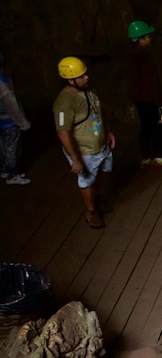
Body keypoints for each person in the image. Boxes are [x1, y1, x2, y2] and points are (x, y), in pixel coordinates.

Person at [53, 56, 116, 229]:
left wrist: (108, 130)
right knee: (87, 180)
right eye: (81, 76)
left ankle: (96, 197)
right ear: (70, 79)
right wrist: (76, 159)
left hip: (100, 145)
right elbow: (63, 132)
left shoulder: (88, 90)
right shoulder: (64, 103)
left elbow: (98, 110)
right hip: (85, 151)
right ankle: (92, 212)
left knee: (104, 171)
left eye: (85, 74)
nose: (86, 77)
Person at [127, 20, 162, 167]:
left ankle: (145, 157)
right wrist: (161, 102)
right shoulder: (143, 59)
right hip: (150, 100)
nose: (150, 38)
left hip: (141, 100)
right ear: (140, 40)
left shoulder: (133, 57)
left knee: (146, 128)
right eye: (147, 36)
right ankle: (158, 155)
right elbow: (150, 83)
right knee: (158, 126)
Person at [0, 52, 32, 185]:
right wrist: (23, 123)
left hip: (1, 120)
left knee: (3, 147)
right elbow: (11, 103)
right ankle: (11, 176)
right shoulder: (2, 82)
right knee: (11, 148)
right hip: (8, 121)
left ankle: (5, 170)